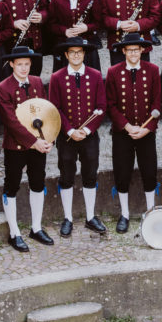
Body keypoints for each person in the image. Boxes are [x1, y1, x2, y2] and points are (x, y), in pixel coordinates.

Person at [0, 46, 55, 251]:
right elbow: (11, 122)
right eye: (19, 64)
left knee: (38, 182)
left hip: (38, 144)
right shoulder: (2, 87)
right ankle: (14, 232)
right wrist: (34, 141)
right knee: (12, 185)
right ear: (11, 64)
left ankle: (36, 228)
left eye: (27, 64)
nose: (23, 68)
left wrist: (49, 137)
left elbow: (45, 112)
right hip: (16, 146)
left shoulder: (37, 81)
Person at [48, 37, 107, 236]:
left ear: (84, 54)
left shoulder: (95, 75)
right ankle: (68, 218)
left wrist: (87, 130)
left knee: (90, 174)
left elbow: (101, 107)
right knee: (66, 176)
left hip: (89, 136)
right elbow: (54, 108)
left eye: (79, 52)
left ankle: (90, 217)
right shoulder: (57, 77)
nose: (75, 55)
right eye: (72, 52)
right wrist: (70, 130)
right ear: (66, 55)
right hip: (67, 137)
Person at [105, 33, 161, 233]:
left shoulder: (153, 70)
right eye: (130, 50)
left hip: (146, 132)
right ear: (123, 51)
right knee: (122, 173)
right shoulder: (113, 72)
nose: (134, 53)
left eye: (137, 50)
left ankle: (150, 210)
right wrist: (127, 127)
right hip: (123, 133)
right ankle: (125, 214)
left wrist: (147, 129)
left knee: (149, 171)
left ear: (142, 50)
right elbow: (110, 105)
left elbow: (157, 102)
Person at [47, 0, 102, 70]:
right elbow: (50, 25)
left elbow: (99, 23)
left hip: (87, 46)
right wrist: (65, 31)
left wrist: (86, 27)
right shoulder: (56, 0)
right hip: (65, 46)